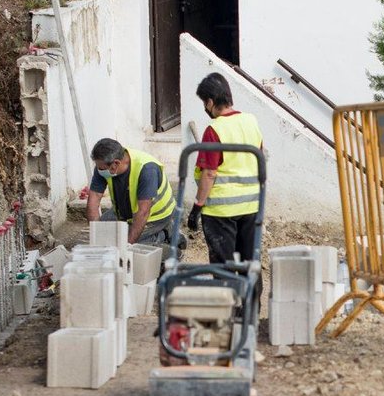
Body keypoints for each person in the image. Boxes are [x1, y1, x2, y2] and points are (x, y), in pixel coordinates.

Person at [189, 72, 264, 270]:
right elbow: (260, 157)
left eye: (205, 103)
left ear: (210, 101)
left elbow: (209, 173)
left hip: (221, 212)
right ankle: (251, 301)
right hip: (251, 206)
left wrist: (197, 206)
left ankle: (228, 300)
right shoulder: (251, 121)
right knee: (250, 265)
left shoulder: (214, 129)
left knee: (224, 268)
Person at [83, 138, 176, 246]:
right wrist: (97, 236)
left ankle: (165, 233)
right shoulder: (103, 167)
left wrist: (127, 246)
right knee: (106, 235)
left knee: (132, 245)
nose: (99, 170)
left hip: (156, 216)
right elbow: (93, 200)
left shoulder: (147, 169)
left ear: (115, 164)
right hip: (126, 214)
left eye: (101, 168)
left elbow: (143, 212)